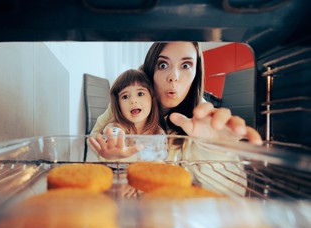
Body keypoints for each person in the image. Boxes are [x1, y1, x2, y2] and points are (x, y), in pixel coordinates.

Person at [89, 41, 263, 159]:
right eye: (163, 65)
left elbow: (217, 190)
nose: (174, 77)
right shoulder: (128, 100)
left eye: (185, 65)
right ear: (151, 69)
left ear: (196, 74)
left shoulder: (202, 119)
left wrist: (216, 150)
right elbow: (93, 152)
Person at [92, 69, 165, 160]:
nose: (133, 101)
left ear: (152, 98)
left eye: (140, 94)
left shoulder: (158, 132)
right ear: (118, 105)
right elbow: (108, 152)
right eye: (125, 96)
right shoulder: (114, 129)